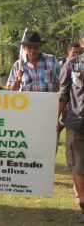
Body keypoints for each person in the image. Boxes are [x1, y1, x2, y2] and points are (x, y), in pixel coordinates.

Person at [58, 30, 84, 222]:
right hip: (76, 123)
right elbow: (63, 95)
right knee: (77, 166)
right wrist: (55, 121)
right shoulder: (72, 64)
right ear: (82, 43)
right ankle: (83, 205)